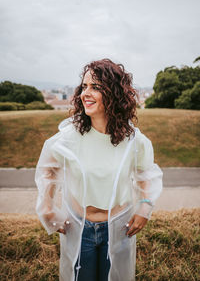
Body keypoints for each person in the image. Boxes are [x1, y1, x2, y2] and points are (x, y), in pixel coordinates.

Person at [35, 58, 163, 281]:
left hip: (119, 228)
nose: (86, 93)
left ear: (114, 93)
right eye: (84, 87)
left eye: (95, 87)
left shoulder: (134, 141)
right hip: (79, 228)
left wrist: (144, 208)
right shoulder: (68, 137)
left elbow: (147, 174)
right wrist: (47, 208)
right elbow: (48, 169)